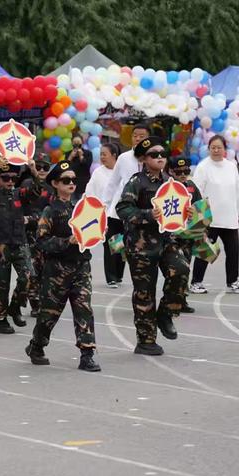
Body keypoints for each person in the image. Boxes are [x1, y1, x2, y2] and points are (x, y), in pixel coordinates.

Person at [116, 137, 190, 356]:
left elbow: (176, 209)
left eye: (162, 154)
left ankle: (166, 313)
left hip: (166, 240)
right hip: (141, 245)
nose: (159, 157)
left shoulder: (170, 182)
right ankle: (146, 340)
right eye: (154, 154)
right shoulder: (136, 182)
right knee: (144, 293)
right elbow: (123, 209)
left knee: (182, 270)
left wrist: (188, 213)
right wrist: (147, 214)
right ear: (143, 159)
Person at [25, 160, 100, 371]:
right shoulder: (50, 211)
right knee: (49, 314)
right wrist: (66, 241)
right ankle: (36, 345)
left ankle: (87, 353)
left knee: (84, 308)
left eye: (73, 181)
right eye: (66, 180)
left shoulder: (80, 208)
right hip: (57, 270)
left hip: (81, 267)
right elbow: (41, 241)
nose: (71, 184)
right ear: (56, 183)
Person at [0, 158, 41, 334]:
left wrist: (34, 171)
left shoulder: (19, 194)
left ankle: (15, 307)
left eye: (13, 178)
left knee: (28, 276)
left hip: (19, 242)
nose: (10, 182)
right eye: (5, 178)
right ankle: (1, 319)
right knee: (0, 284)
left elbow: (37, 191)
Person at [190, 135, 239, 294]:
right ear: (208, 149)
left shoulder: (232, 166)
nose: (216, 150)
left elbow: (236, 192)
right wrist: (199, 218)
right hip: (209, 218)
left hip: (230, 217)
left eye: (219, 147)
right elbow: (197, 192)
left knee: (233, 251)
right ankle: (196, 282)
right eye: (213, 147)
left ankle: (232, 281)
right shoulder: (204, 166)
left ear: (225, 149)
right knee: (205, 250)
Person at [165, 156, 202, 313]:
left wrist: (201, 227)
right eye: (179, 171)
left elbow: (200, 206)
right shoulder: (165, 187)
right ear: (171, 171)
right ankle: (169, 300)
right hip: (171, 236)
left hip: (188, 235)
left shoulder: (192, 186)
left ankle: (182, 300)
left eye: (186, 171)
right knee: (174, 269)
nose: (183, 174)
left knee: (186, 268)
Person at [86, 143, 125, 287]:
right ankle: (111, 277)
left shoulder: (122, 171)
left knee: (121, 246)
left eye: (104, 154)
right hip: (105, 214)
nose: (102, 157)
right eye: (101, 154)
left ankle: (119, 275)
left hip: (122, 214)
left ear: (114, 156)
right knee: (109, 245)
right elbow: (90, 191)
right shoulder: (98, 172)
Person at [21, 154, 54, 316]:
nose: (41, 170)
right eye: (38, 167)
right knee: (32, 270)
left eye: (45, 167)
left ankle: (44, 300)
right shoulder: (27, 184)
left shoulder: (53, 186)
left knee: (46, 270)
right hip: (28, 233)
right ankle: (34, 303)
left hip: (46, 233)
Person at [103, 123, 151, 221]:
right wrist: (105, 205)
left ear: (149, 139)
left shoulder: (153, 158)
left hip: (147, 205)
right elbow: (113, 183)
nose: (137, 139)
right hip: (124, 205)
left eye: (141, 136)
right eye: (135, 136)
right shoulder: (123, 158)